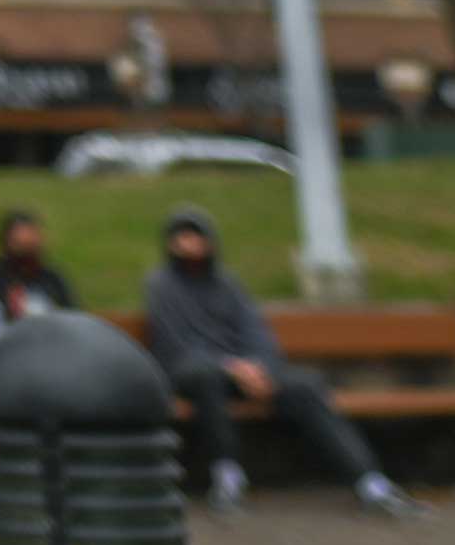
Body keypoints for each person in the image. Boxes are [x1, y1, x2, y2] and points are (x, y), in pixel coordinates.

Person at [142, 207, 422, 519]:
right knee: (207, 380)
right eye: (182, 236)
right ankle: (227, 478)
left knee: (305, 386)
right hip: (196, 372)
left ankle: (371, 482)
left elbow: (256, 331)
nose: (190, 243)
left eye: (196, 235)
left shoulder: (228, 285)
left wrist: (261, 367)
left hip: (248, 373)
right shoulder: (160, 285)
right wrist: (231, 367)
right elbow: (173, 343)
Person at [0, 208, 77, 323]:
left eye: (32, 242)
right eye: (20, 243)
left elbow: (73, 315)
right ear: (5, 242)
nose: (28, 245)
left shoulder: (52, 278)